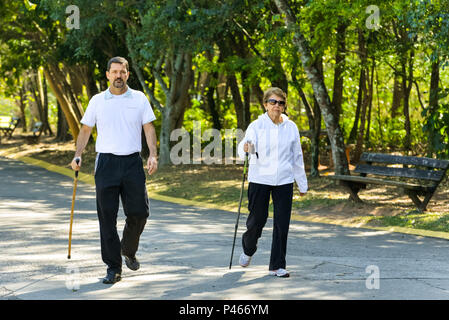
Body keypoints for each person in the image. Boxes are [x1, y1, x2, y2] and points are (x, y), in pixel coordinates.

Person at [71, 57, 158, 284]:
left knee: (139, 212)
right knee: (107, 218)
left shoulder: (139, 99)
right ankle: (113, 267)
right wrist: (77, 154)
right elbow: (85, 130)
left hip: (131, 162)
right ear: (108, 74)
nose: (118, 76)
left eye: (122, 72)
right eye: (115, 72)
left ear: (128, 74)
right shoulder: (98, 101)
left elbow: (148, 127)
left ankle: (128, 249)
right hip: (106, 164)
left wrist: (153, 154)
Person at [237, 87, 307, 278]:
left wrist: (302, 183)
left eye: (281, 102)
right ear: (265, 104)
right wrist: (245, 148)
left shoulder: (291, 127)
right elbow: (242, 149)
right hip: (260, 178)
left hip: (284, 180)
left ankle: (277, 265)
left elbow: (297, 156)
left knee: (282, 223)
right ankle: (248, 248)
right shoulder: (256, 126)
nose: (277, 106)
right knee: (257, 219)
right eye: (273, 102)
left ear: (285, 105)